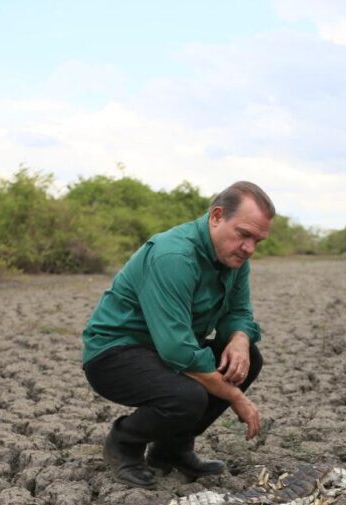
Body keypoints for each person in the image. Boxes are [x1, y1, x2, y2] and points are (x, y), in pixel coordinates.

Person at [81, 181, 273, 487]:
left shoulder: (235, 260)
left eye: (257, 241)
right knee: (187, 395)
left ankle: (171, 451)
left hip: (162, 351)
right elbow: (177, 351)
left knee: (248, 359)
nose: (249, 248)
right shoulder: (174, 256)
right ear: (216, 216)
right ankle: (124, 444)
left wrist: (239, 339)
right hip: (115, 353)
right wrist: (235, 397)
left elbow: (238, 313)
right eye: (244, 234)